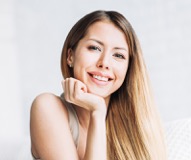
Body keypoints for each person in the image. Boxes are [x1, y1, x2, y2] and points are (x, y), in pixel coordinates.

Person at [30, 10, 166, 160]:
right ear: (70, 56)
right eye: (94, 48)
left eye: (118, 55)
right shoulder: (47, 107)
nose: (104, 63)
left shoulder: (139, 127)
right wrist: (97, 112)